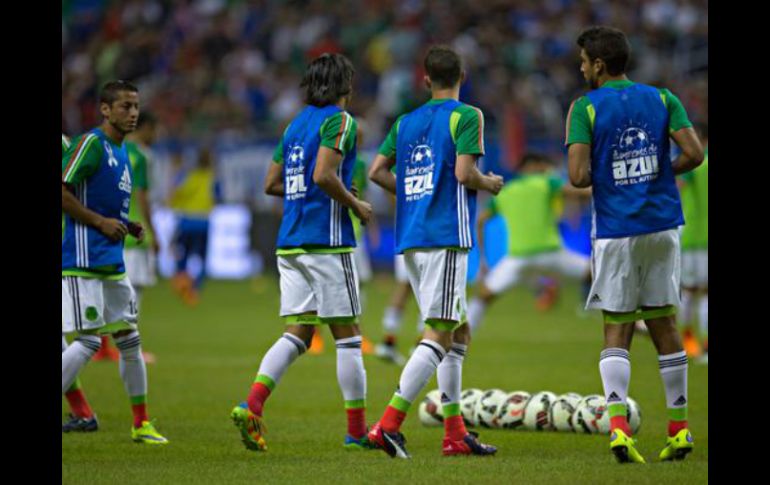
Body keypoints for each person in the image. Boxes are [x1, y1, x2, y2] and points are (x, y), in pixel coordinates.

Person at [566, 26, 704, 463]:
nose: (581, 68)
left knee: (617, 326)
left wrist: (613, 174)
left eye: (584, 62)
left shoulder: (584, 107)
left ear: (599, 66)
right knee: (665, 323)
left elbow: (577, 176)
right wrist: (656, 172)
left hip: (617, 229)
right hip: (663, 225)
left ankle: (620, 430)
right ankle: (679, 430)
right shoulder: (663, 98)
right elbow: (694, 153)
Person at [230, 53, 374, 452]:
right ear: (345, 84)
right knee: (347, 337)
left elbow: (273, 183)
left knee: (298, 332)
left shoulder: (295, 124)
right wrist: (354, 204)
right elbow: (324, 175)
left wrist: (318, 192)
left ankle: (252, 404)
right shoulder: (341, 122)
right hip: (325, 242)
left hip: (290, 242)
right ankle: (356, 432)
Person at [367, 45, 502, 458]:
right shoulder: (468, 116)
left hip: (410, 237)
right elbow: (464, 173)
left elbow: (376, 172)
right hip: (445, 236)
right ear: (463, 76)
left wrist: (411, 193)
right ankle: (388, 425)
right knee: (441, 333)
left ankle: (455, 434)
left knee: (457, 331)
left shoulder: (405, 122)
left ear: (425, 80)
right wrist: (489, 183)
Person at [61, 80, 168, 444]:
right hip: (83, 259)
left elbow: (105, 205)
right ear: (105, 110)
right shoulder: (92, 143)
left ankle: (141, 423)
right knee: (90, 341)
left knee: (129, 339)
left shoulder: (123, 153)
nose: (133, 113)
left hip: (112, 261)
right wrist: (99, 222)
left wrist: (126, 224)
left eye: (136, 106)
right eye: (124, 106)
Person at [466, 152, 591, 335]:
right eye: (542, 165)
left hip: (518, 258)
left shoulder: (506, 191)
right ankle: (629, 318)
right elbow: (580, 192)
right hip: (551, 253)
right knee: (598, 273)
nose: (546, 169)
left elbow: (480, 221)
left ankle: (457, 341)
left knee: (483, 296)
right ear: (532, 166)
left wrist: (484, 260)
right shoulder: (546, 182)